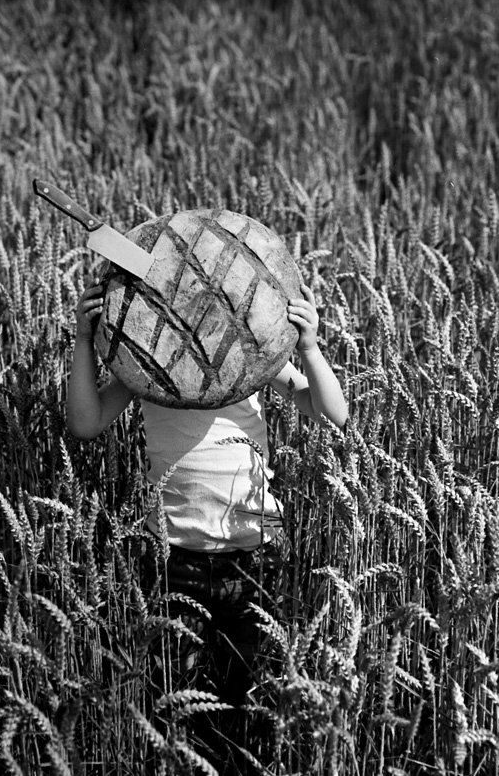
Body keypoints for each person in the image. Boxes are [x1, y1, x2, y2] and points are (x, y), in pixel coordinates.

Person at [67, 278, 348, 773]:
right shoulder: (147, 367)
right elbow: (86, 424)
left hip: (252, 556)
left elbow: (332, 415)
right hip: (176, 557)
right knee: (175, 698)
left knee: (248, 692)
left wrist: (308, 347)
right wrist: (85, 341)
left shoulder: (252, 359)